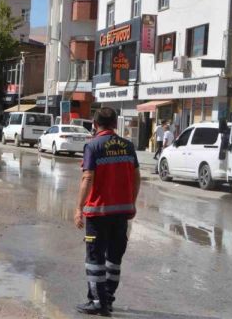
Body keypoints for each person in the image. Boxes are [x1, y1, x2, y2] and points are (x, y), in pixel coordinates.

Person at [74, 107, 141, 316]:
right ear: (114, 124)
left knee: (95, 258)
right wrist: (132, 202)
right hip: (122, 213)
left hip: (98, 213)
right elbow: (137, 178)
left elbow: (87, 178)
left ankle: (97, 302)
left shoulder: (93, 146)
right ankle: (108, 299)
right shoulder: (128, 146)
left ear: (95, 125)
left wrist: (79, 208)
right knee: (114, 258)